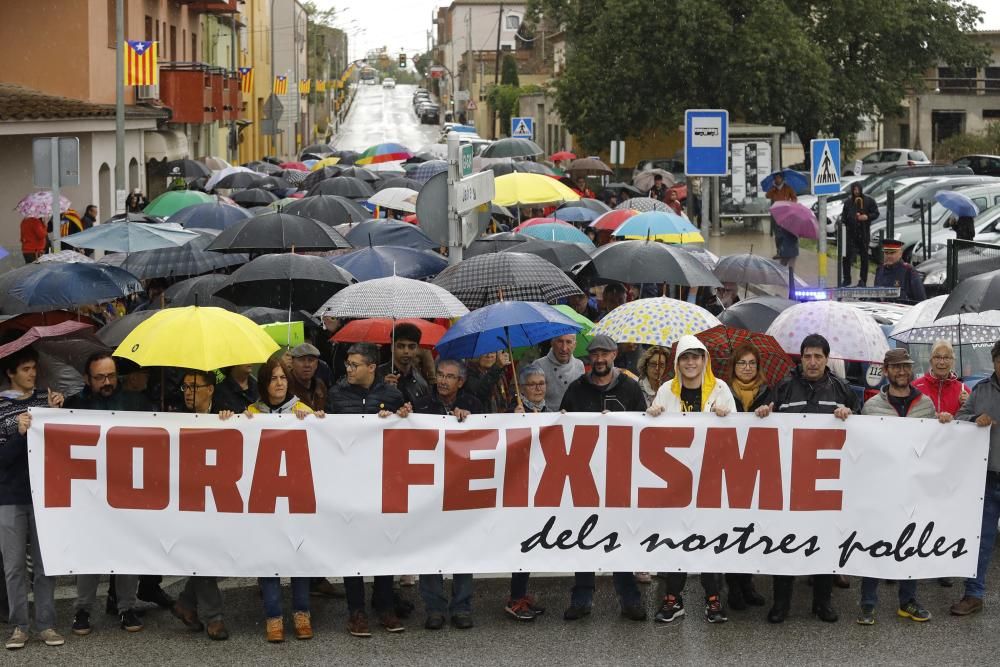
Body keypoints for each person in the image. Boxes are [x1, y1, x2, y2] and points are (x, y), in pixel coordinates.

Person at [755, 334, 860, 624]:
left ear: (827, 359)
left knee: (824, 541)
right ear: (800, 358)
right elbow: (760, 418)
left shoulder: (842, 388)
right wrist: (764, 412)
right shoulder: (783, 387)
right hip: (788, 479)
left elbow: (864, 427)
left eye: (818, 356)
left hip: (826, 481)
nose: (812, 362)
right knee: (784, 542)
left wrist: (850, 414)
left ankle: (822, 603)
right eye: (807, 356)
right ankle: (781, 604)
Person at [647, 335, 735, 624]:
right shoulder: (665, 390)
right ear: (677, 362)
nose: (691, 362)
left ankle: (712, 597)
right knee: (677, 538)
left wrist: (727, 417)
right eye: (685, 357)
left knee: (708, 537)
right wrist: (651, 415)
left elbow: (738, 433)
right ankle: (673, 598)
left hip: (711, 478)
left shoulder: (720, 389)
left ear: (704, 360)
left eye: (696, 357)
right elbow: (651, 433)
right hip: (676, 481)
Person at [559, 335, 646, 622]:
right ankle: (582, 598)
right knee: (583, 536)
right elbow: (561, 430)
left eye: (604, 354)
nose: (599, 359)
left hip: (620, 475)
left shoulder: (631, 389)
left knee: (619, 537)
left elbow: (643, 429)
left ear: (614, 355)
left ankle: (629, 597)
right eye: (594, 354)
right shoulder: (575, 389)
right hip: (584, 475)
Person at [326, 343, 409, 637]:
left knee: (384, 546)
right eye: (347, 364)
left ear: (372, 367)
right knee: (353, 548)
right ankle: (356, 611)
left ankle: (384, 606)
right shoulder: (336, 395)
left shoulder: (393, 395)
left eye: (354, 365)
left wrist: (404, 414)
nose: (348, 369)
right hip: (349, 483)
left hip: (383, 482)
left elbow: (410, 427)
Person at [238, 357, 323, 642]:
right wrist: (232, 420)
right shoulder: (250, 412)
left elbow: (324, 439)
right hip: (264, 498)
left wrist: (316, 422)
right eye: (273, 378)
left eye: (283, 378)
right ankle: (273, 617)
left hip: (296, 496)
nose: (279, 383)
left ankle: (302, 613)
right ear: (263, 383)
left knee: (298, 555)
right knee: (269, 557)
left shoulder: (302, 410)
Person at [65, 354, 150, 636]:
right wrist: (53, 411)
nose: (107, 382)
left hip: (126, 488)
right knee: (90, 550)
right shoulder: (74, 405)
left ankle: (126, 607)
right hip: (89, 492)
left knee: (127, 547)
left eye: (111, 376)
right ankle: (83, 609)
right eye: (100, 377)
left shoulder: (135, 402)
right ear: (87, 379)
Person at [857, 348, 939, 625]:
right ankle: (868, 603)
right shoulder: (871, 407)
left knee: (911, 544)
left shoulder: (927, 405)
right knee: (875, 543)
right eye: (896, 367)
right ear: (886, 370)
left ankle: (908, 601)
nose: (902, 371)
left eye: (906, 366)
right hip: (880, 489)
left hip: (914, 489)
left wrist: (947, 424)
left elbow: (938, 445)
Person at [0, 349, 65, 650]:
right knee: (13, 566)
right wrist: (19, 434)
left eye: (34, 368)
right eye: (25, 369)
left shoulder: (45, 400)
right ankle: (19, 626)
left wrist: (59, 413)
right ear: (11, 373)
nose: (32, 373)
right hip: (9, 497)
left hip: (45, 495)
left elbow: (62, 445)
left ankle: (46, 624)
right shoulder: (0, 406)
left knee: (45, 564)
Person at [171, 369, 229, 641]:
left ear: (211, 389)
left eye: (195, 386)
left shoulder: (228, 414)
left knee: (215, 554)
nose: (189, 392)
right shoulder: (171, 418)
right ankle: (213, 616)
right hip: (187, 497)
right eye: (185, 387)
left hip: (220, 495)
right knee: (203, 552)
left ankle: (185, 601)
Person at [950, 339, 1000, 616]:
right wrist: (974, 419)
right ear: (994, 361)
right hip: (989, 478)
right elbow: (960, 417)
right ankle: (974, 593)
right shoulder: (980, 390)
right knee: (982, 541)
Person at [723, 342, 771, 612]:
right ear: (734, 366)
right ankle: (733, 587)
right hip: (729, 468)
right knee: (732, 529)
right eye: (742, 363)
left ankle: (748, 583)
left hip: (758, 466)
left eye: (752, 363)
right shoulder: (723, 391)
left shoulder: (768, 392)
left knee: (752, 529)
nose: (747, 368)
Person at [913, 340, 970, 417]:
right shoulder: (915, 387)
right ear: (931, 360)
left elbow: (972, 420)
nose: (942, 362)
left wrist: (968, 406)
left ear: (952, 361)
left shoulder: (964, 390)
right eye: (937, 357)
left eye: (946, 357)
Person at [378, 323, 431, 407]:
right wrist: (382, 390)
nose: (406, 351)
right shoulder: (377, 375)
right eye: (401, 346)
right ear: (392, 347)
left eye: (411, 347)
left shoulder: (421, 380)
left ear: (417, 348)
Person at [840, 182, 880, 286]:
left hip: (863, 233)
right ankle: (847, 279)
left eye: (858, 189)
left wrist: (867, 217)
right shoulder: (848, 202)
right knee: (846, 257)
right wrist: (845, 221)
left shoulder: (869, 201)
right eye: (854, 190)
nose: (856, 192)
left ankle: (863, 280)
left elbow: (876, 213)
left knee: (864, 258)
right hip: (850, 234)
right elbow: (844, 216)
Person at [414, 359, 483, 417]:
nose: (443, 382)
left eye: (449, 377)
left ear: (460, 382)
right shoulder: (421, 405)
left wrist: (468, 419)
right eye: (440, 375)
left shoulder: (473, 405)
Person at [535, 333, 584, 411]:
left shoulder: (579, 365)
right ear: (552, 343)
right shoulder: (538, 365)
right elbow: (533, 400)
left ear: (574, 345)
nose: (564, 348)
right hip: (547, 419)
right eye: (560, 341)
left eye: (568, 342)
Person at [873, 239, 926, 303]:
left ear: (900, 254)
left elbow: (921, 301)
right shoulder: (880, 270)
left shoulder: (909, 271)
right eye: (886, 252)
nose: (889, 256)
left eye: (892, 253)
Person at [286, 343, 327, 412]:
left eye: (311, 360)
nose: (307, 365)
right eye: (301, 360)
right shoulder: (285, 386)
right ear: (292, 362)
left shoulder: (320, 385)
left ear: (317, 364)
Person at [766, 172, 797, 260]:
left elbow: (794, 198)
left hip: (786, 213)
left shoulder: (788, 188)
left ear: (782, 179)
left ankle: (788, 251)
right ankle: (779, 252)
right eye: (775, 178)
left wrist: (791, 203)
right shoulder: (773, 189)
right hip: (776, 214)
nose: (777, 179)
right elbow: (767, 195)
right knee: (778, 234)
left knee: (786, 233)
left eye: (779, 178)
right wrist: (773, 188)